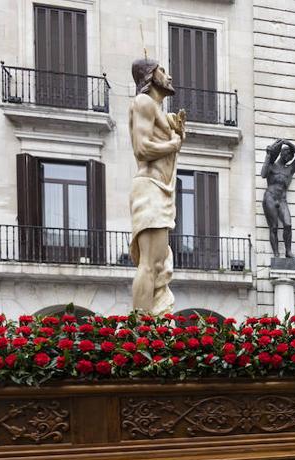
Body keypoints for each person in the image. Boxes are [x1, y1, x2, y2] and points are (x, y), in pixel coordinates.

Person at [128, 58, 186, 314]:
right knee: (150, 264)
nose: (169, 75)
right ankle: (142, 331)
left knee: (158, 264)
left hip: (161, 190)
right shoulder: (143, 102)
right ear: (150, 76)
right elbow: (142, 149)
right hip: (149, 187)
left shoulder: (161, 112)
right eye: (162, 70)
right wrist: (173, 144)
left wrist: (177, 134)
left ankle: (158, 322)